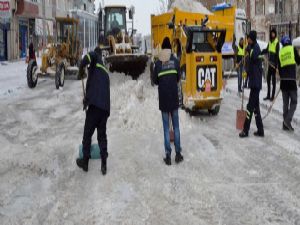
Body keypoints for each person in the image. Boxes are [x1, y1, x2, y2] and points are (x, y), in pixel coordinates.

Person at [76, 41, 110, 175]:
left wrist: (81, 66)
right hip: (104, 109)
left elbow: (89, 57)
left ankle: (85, 162)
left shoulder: (95, 59)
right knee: (102, 136)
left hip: (95, 107)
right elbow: (95, 88)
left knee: (87, 134)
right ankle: (104, 163)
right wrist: (86, 100)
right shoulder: (105, 72)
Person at [153, 38, 183, 165]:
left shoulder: (158, 64)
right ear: (170, 48)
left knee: (166, 128)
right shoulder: (175, 61)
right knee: (176, 126)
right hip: (174, 99)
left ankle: (168, 155)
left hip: (164, 100)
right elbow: (178, 77)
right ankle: (178, 154)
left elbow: (155, 81)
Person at [239, 30, 264, 138]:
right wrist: (246, 74)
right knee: (256, 108)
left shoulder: (256, 48)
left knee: (250, 107)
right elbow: (250, 64)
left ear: (252, 38)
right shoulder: (252, 47)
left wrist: (249, 49)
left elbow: (254, 56)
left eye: (248, 38)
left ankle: (245, 130)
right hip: (254, 82)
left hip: (256, 83)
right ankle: (260, 130)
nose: (247, 39)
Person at [278, 36, 300, 131]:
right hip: (291, 80)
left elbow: (279, 67)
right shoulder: (292, 49)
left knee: (285, 103)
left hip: (283, 81)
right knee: (294, 101)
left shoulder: (280, 52)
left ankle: (285, 124)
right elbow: (299, 62)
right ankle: (287, 121)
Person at [261, 29, 280, 101]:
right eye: (272, 33)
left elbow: (277, 54)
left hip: (274, 64)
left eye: (274, 33)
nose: (272, 34)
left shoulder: (276, 42)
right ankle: (268, 95)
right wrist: (261, 52)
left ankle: (272, 96)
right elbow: (267, 49)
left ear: (275, 34)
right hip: (270, 63)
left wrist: (276, 65)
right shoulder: (270, 42)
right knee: (268, 79)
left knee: (273, 80)